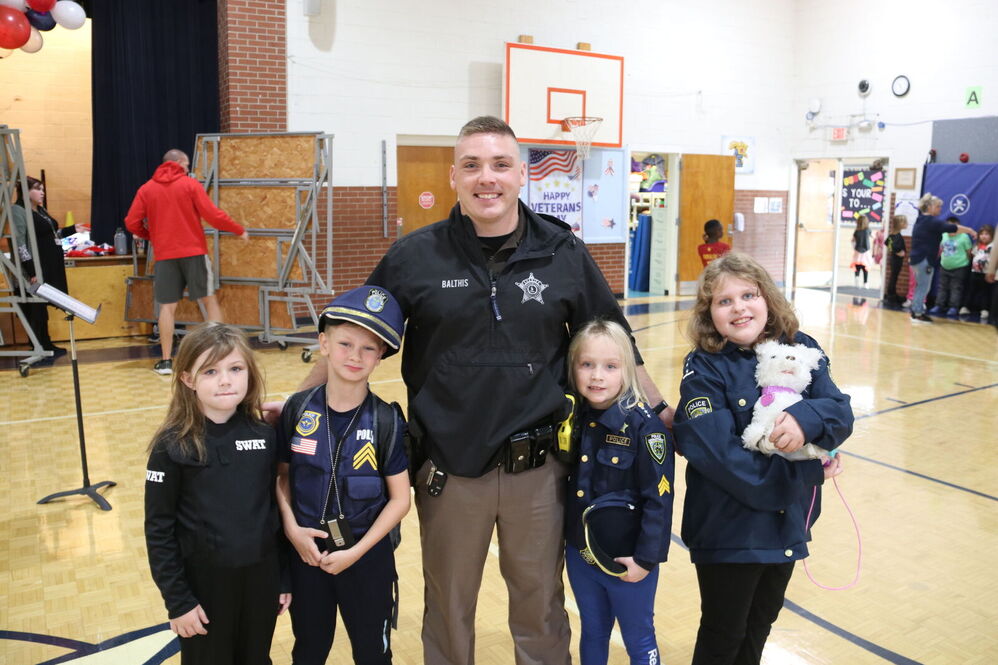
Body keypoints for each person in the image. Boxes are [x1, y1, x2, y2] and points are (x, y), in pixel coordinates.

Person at [279, 116, 674, 665]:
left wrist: (657, 409)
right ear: (454, 177)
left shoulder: (562, 251)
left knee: (540, 608)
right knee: (448, 609)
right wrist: (299, 406)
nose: (487, 178)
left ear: (521, 174)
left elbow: (615, 339)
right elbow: (353, 338)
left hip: (539, 473)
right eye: (472, 165)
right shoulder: (415, 256)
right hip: (448, 471)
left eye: (500, 164)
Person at [674, 252, 854, 665]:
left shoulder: (801, 348)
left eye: (748, 295)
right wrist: (809, 471)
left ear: (767, 298)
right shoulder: (704, 368)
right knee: (724, 634)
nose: (739, 308)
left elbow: (839, 411)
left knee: (760, 625)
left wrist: (807, 420)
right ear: (709, 314)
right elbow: (719, 457)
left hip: (786, 524)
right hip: (729, 530)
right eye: (724, 301)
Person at [276, 286, 411, 665]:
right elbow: (281, 477)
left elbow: (401, 500)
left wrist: (355, 552)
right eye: (345, 344)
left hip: (366, 558)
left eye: (368, 348)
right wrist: (292, 530)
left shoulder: (386, 420)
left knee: (373, 653)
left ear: (380, 355)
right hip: (307, 554)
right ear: (323, 343)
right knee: (308, 650)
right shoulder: (297, 410)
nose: (355, 356)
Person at [144, 323, 289, 665]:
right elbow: (159, 530)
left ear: (249, 374)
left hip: (261, 582)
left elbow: (274, 514)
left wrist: (283, 578)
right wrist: (178, 601)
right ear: (188, 379)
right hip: (203, 589)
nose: (225, 380)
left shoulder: (265, 435)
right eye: (210, 371)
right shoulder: (171, 446)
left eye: (235, 369)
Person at [563, 319, 675, 665]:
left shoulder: (646, 428)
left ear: (627, 369)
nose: (597, 376)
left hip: (628, 560)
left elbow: (659, 500)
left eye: (610, 366)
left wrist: (646, 560)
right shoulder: (573, 417)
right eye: (587, 364)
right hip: (581, 556)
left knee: (638, 639)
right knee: (593, 631)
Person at [125, 149, 248, 375]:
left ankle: (165, 361)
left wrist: (150, 236)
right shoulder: (190, 185)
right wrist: (238, 230)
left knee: (167, 308)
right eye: (187, 165)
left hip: (165, 256)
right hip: (194, 252)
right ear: (180, 162)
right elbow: (213, 215)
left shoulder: (147, 189)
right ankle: (220, 354)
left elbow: (132, 221)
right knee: (209, 301)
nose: (188, 169)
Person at [10, 176, 71, 357]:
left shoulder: (41, 210)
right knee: (36, 308)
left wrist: (73, 230)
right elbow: (20, 243)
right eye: (38, 189)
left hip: (47, 265)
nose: (42, 192)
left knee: (42, 306)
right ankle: (39, 345)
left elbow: (51, 233)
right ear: (25, 191)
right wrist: (31, 271)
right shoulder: (18, 210)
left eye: (43, 189)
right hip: (32, 269)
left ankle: (45, 343)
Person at [907, 193, 976, 323]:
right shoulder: (931, 221)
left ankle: (916, 311)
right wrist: (970, 230)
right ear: (930, 207)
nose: (940, 209)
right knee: (923, 287)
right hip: (924, 259)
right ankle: (917, 313)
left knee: (920, 286)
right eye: (938, 206)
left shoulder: (920, 219)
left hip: (916, 259)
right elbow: (952, 228)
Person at [930, 219, 973, 318]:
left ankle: (953, 307)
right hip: (944, 265)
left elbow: (969, 252)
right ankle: (939, 305)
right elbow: (940, 249)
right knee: (942, 287)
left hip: (959, 267)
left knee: (956, 288)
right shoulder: (944, 235)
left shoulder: (964, 237)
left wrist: (965, 263)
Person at [961, 224, 992, 321]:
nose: (984, 236)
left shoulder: (993, 247)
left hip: (986, 273)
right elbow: (973, 256)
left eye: (986, 234)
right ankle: (965, 307)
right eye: (982, 234)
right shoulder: (977, 246)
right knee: (971, 290)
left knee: (984, 292)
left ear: (991, 236)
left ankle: (984, 309)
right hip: (974, 272)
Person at [884, 215, 907, 304]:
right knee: (894, 277)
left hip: (894, 260)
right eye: (905, 222)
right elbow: (890, 245)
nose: (906, 224)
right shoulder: (897, 236)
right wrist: (898, 252)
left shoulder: (893, 235)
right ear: (900, 224)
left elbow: (888, 244)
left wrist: (894, 251)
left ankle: (892, 293)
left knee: (894, 277)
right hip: (896, 260)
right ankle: (891, 295)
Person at [850, 213, 870, 288]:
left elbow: (852, 240)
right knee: (865, 267)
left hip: (857, 251)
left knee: (857, 266)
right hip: (865, 251)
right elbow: (873, 236)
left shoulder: (857, 231)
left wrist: (854, 247)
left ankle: (856, 279)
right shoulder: (868, 230)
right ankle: (865, 283)